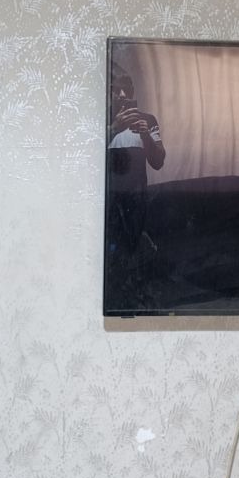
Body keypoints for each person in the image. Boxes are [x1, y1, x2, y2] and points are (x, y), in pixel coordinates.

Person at [106, 63, 165, 304]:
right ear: (108, 91)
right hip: (108, 203)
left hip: (138, 201)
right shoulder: (99, 119)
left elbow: (158, 162)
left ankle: (136, 299)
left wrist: (146, 135)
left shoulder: (147, 119)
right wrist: (114, 128)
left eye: (127, 89)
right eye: (116, 89)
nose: (122, 95)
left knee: (138, 255)